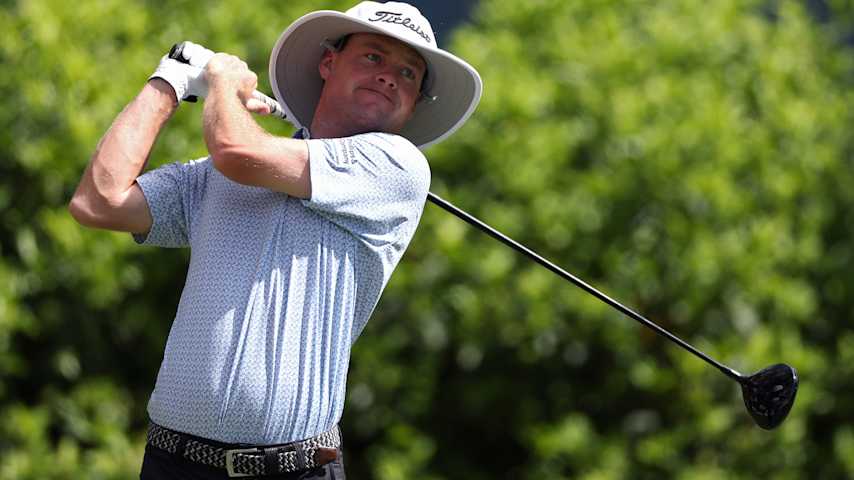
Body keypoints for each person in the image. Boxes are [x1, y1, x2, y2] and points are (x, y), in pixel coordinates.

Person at [68, 1, 481, 478]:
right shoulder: (214, 178)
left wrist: (222, 80)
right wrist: (171, 79)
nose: (390, 75)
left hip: (295, 469)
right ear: (329, 62)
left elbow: (237, 150)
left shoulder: (397, 167)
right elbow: (98, 202)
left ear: (412, 104)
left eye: (409, 73)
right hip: (172, 463)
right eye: (373, 57)